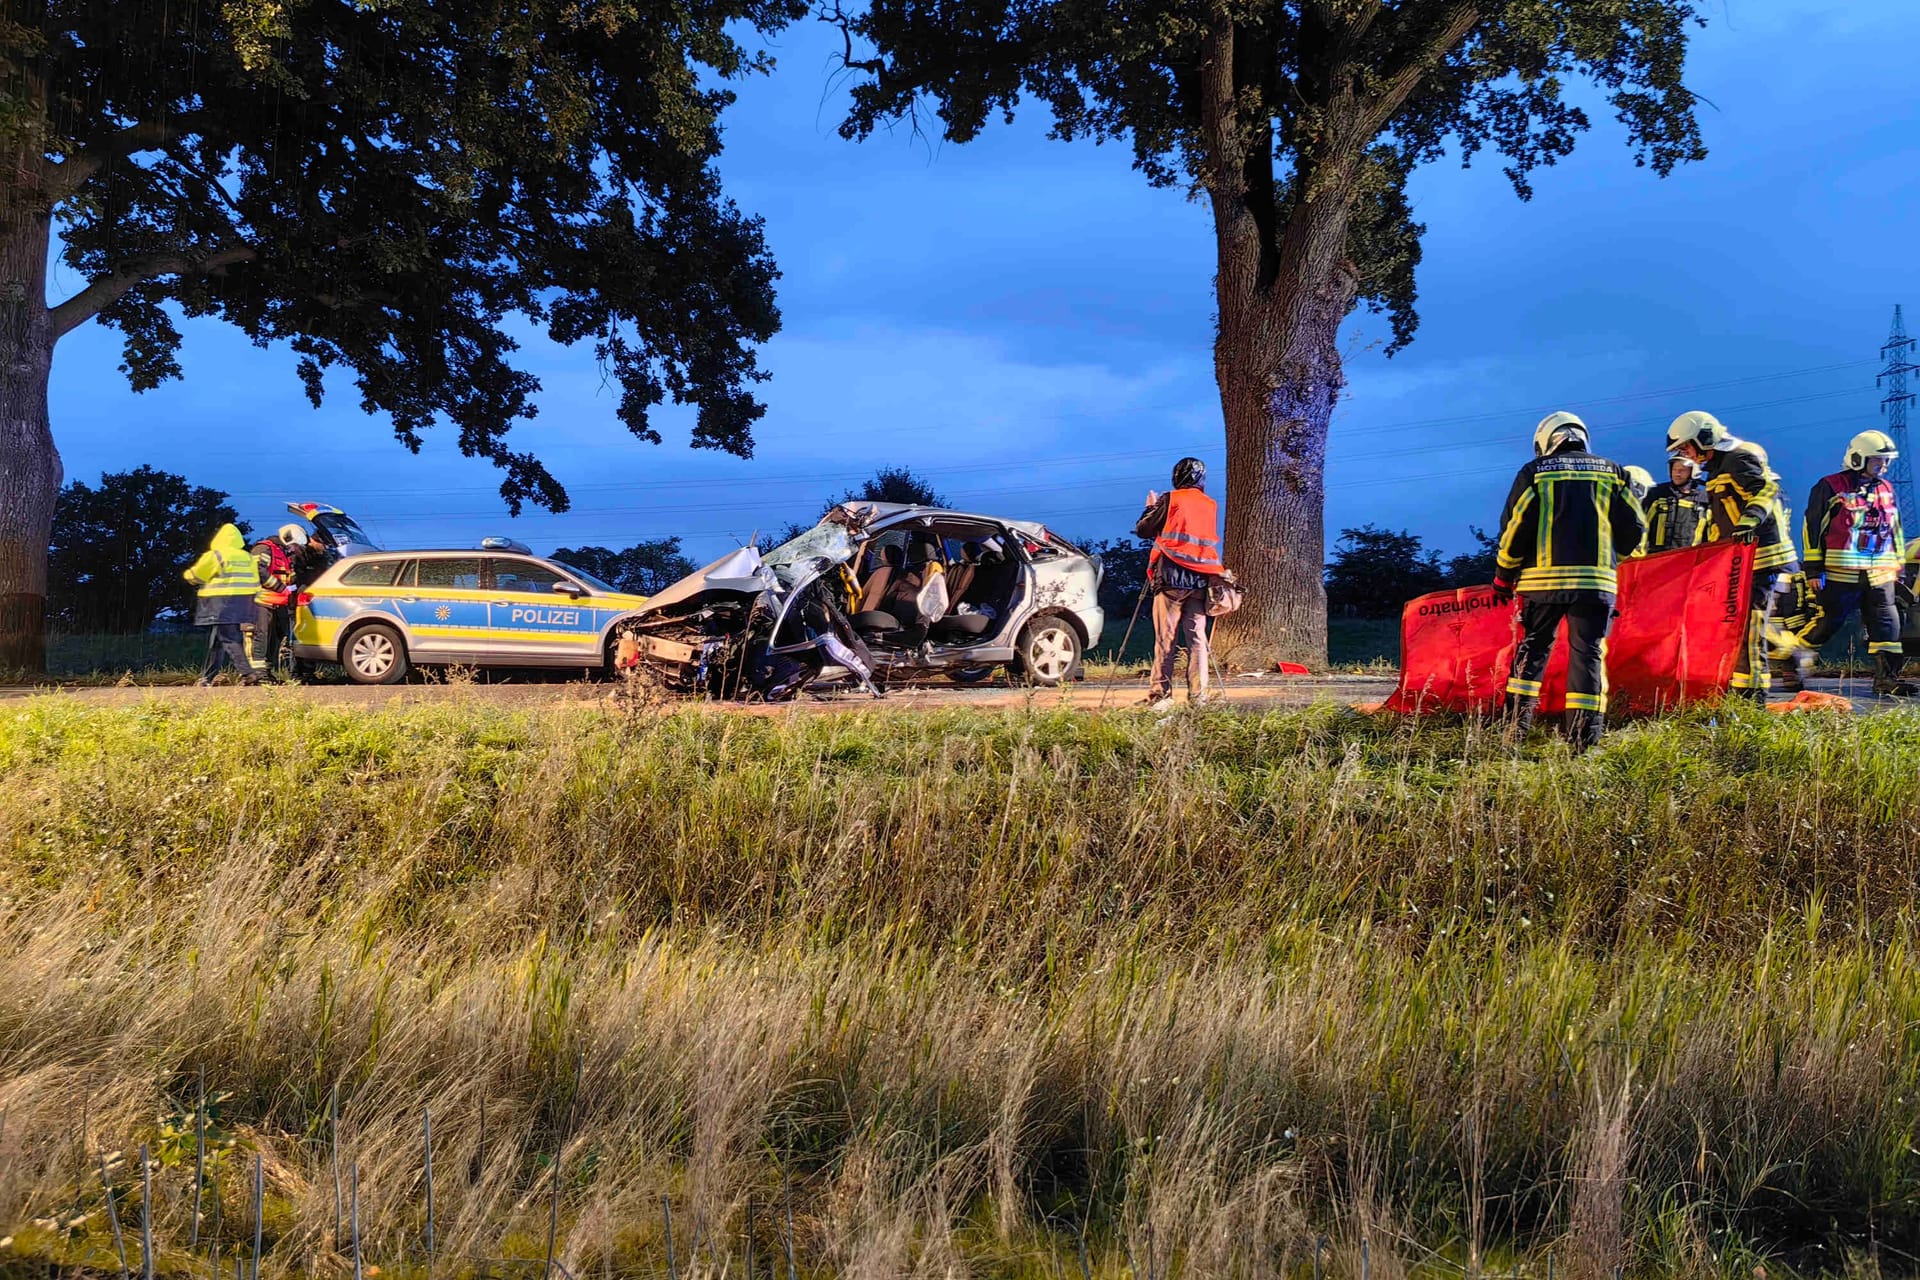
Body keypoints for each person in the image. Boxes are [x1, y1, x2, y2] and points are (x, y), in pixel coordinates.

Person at [1493, 412, 1645, 751]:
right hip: (1596, 584)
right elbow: (1635, 526)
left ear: (1546, 441)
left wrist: (1503, 575)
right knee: (1588, 656)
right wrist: (1610, 556)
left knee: (1532, 650)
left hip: (1540, 584)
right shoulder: (1615, 472)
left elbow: (1515, 528)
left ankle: (1513, 735)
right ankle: (1583, 744)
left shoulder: (1535, 473)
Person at [1666, 410, 1794, 702]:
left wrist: (1750, 519)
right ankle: (1742, 688)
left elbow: (1766, 489)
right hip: (1740, 560)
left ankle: (1753, 696)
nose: (1686, 454)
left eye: (1686, 446)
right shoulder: (1717, 467)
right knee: (1739, 625)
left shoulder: (1739, 456)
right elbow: (1719, 519)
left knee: (1750, 626)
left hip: (1761, 556)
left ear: (1704, 438)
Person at [1789, 429, 1914, 695]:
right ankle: (1793, 664)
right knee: (1827, 623)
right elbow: (1812, 528)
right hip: (1840, 574)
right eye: (1877, 460)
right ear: (1858, 458)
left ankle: (1887, 679)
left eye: (1886, 461)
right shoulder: (1830, 486)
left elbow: (1896, 530)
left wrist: (1899, 568)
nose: (1884, 466)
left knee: (1888, 625)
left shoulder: (1887, 489)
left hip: (1881, 574)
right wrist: (1813, 568)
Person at [1135, 456, 1223, 710]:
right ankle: (1199, 698)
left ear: (1176, 477)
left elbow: (1143, 530)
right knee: (1197, 640)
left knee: (1166, 638)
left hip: (1171, 578)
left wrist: (1151, 507)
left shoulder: (1170, 499)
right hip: (1200, 580)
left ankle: (1160, 695)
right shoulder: (1210, 505)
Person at [183, 523, 263, 686]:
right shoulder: (247, 557)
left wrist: (188, 576)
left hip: (220, 602)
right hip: (244, 602)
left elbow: (197, 575)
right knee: (218, 640)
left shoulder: (216, 555)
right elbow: (256, 581)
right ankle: (208, 677)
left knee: (229, 638)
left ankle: (248, 673)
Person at [246, 525, 301, 676]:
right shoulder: (263, 549)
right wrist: (281, 587)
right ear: (287, 539)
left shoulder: (282, 554)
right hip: (261, 601)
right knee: (260, 636)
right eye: (294, 545)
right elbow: (258, 571)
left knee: (272, 640)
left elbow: (286, 575)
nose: (295, 549)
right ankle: (256, 674)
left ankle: (266, 672)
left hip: (277, 604)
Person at [1642, 455, 1708, 553]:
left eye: (1682, 470)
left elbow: (1710, 533)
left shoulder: (1704, 500)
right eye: (1674, 469)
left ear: (1693, 472)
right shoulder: (1657, 493)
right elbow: (1642, 523)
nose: (1677, 474)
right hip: (1656, 557)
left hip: (1690, 558)